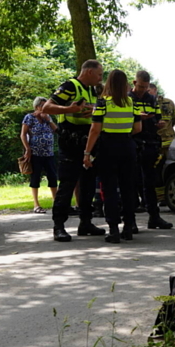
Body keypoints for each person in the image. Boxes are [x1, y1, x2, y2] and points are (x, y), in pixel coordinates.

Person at [41, 59, 107, 242]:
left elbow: (94, 110)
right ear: (89, 72)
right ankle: (59, 226)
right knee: (68, 185)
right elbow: (46, 108)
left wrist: (92, 110)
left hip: (88, 142)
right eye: (99, 74)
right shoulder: (70, 86)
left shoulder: (93, 90)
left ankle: (86, 223)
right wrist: (69, 108)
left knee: (87, 184)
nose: (101, 78)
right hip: (71, 142)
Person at [83, 70, 140, 243]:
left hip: (108, 147)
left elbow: (95, 129)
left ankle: (114, 230)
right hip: (128, 146)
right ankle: (128, 227)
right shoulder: (131, 102)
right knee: (128, 188)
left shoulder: (103, 103)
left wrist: (87, 153)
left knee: (109, 189)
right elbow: (138, 129)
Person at [131, 71, 173, 229]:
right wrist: (137, 118)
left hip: (149, 143)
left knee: (149, 182)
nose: (143, 90)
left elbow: (156, 118)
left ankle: (154, 217)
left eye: (146, 87)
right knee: (131, 182)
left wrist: (159, 123)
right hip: (133, 142)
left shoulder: (151, 99)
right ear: (135, 83)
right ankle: (131, 220)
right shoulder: (128, 99)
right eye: (141, 86)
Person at [20, 96, 58, 213]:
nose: (45, 107)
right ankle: (36, 204)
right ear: (37, 107)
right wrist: (27, 149)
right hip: (35, 153)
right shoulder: (29, 117)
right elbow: (23, 134)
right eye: (43, 105)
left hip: (49, 153)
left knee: (52, 177)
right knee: (35, 178)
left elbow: (57, 130)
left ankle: (56, 203)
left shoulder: (48, 117)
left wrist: (48, 119)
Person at [149, 83, 175, 206]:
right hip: (155, 143)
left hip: (168, 143)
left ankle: (166, 197)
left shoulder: (169, 103)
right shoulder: (146, 103)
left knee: (167, 170)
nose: (147, 92)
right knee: (155, 171)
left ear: (155, 90)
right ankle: (160, 197)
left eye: (149, 90)